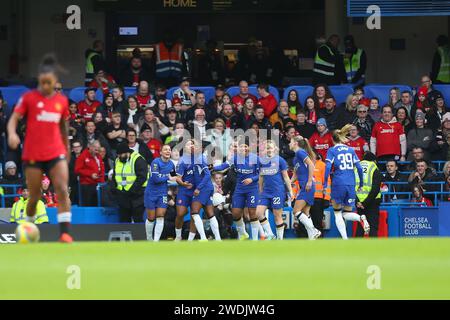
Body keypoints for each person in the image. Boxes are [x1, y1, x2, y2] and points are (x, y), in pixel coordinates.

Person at [7, 55, 73, 242]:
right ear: (39, 79)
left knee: (61, 188)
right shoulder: (28, 98)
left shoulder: (62, 101)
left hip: (55, 152)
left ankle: (65, 234)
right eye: (43, 82)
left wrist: (66, 148)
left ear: (55, 81)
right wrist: (12, 134)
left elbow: (63, 126)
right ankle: (28, 225)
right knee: (34, 196)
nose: (45, 86)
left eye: (49, 82)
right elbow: (13, 119)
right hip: (33, 153)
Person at [324, 124, 370, 239]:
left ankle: (345, 239)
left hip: (339, 182)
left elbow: (328, 168)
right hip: (351, 183)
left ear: (332, 139)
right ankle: (360, 218)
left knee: (338, 213)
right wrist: (361, 184)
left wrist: (325, 184)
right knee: (346, 212)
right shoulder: (350, 149)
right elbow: (359, 168)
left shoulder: (332, 150)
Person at [213, 141, 259, 240]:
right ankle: (243, 233)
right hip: (239, 189)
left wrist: (252, 179)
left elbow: (261, 174)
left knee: (252, 213)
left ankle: (255, 240)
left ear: (249, 147)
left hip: (252, 189)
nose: (244, 148)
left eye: (245, 146)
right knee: (235, 213)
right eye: (241, 147)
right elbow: (223, 166)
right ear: (238, 148)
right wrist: (212, 167)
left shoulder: (255, 158)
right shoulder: (234, 158)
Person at [256, 140, 294, 240]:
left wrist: (290, 191)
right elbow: (261, 176)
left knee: (277, 216)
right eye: (267, 148)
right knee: (258, 213)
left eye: (271, 148)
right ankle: (270, 234)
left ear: (275, 149)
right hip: (266, 192)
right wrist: (260, 190)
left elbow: (286, 177)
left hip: (278, 191)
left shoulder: (280, 160)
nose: (269, 150)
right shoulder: (262, 161)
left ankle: (279, 240)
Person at [290, 136, 322, 240]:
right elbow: (295, 175)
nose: (289, 144)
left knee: (296, 211)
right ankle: (311, 238)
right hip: (304, 186)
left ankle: (314, 230)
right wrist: (287, 183)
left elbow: (311, 165)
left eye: (290, 142)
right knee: (305, 213)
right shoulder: (295, 158)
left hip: (307, 186)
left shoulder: (300, 152)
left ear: (295, 143)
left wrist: (309, 181)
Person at [144, 145, 177, 242]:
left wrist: (182, 183)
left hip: (163, 193)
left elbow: (174, 178)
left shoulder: (171, 164)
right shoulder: (155, 162)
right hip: (151, 193)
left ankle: (156, 241)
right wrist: (168, 177)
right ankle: (149, 239)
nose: (168, 151)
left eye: (169, 149)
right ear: (161, 152)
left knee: (160, 216)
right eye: (165, 149)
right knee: (151, 218)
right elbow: (155, 179)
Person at [113, 142, 149, 223]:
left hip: (137, 195)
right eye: (118, 155)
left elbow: (142, 177)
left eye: (120, 155)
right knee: (124, 220)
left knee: (138, 219)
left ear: (127, 152)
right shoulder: (117, 160)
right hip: (123, 195)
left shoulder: (138, 159)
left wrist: (131, 190)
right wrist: (116, 188)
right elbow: (115, 176)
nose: (118, 157)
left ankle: (138, 236)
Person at [355, 152, 382, 238]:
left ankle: (356, 249)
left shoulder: (355, 167)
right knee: (373, 226)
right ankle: (373, 249)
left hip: (359, 201)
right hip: (372, 201)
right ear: (374, 160)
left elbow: (350, 185)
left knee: (361, 226)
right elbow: (376, 188)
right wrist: (365, 202)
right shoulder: (374, 167)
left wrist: (358, 201)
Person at [74, 140, 105, 207]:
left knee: (98, 205)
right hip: (87, 185)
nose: (97, 150)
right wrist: (90, 174)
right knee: (89, 206)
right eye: (95, 147)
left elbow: (102, 169)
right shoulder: (82, 156)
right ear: (90, 147)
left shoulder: (98, 156)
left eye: (98, 148)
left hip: (98, 185)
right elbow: (77, 170)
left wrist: (102, 182)